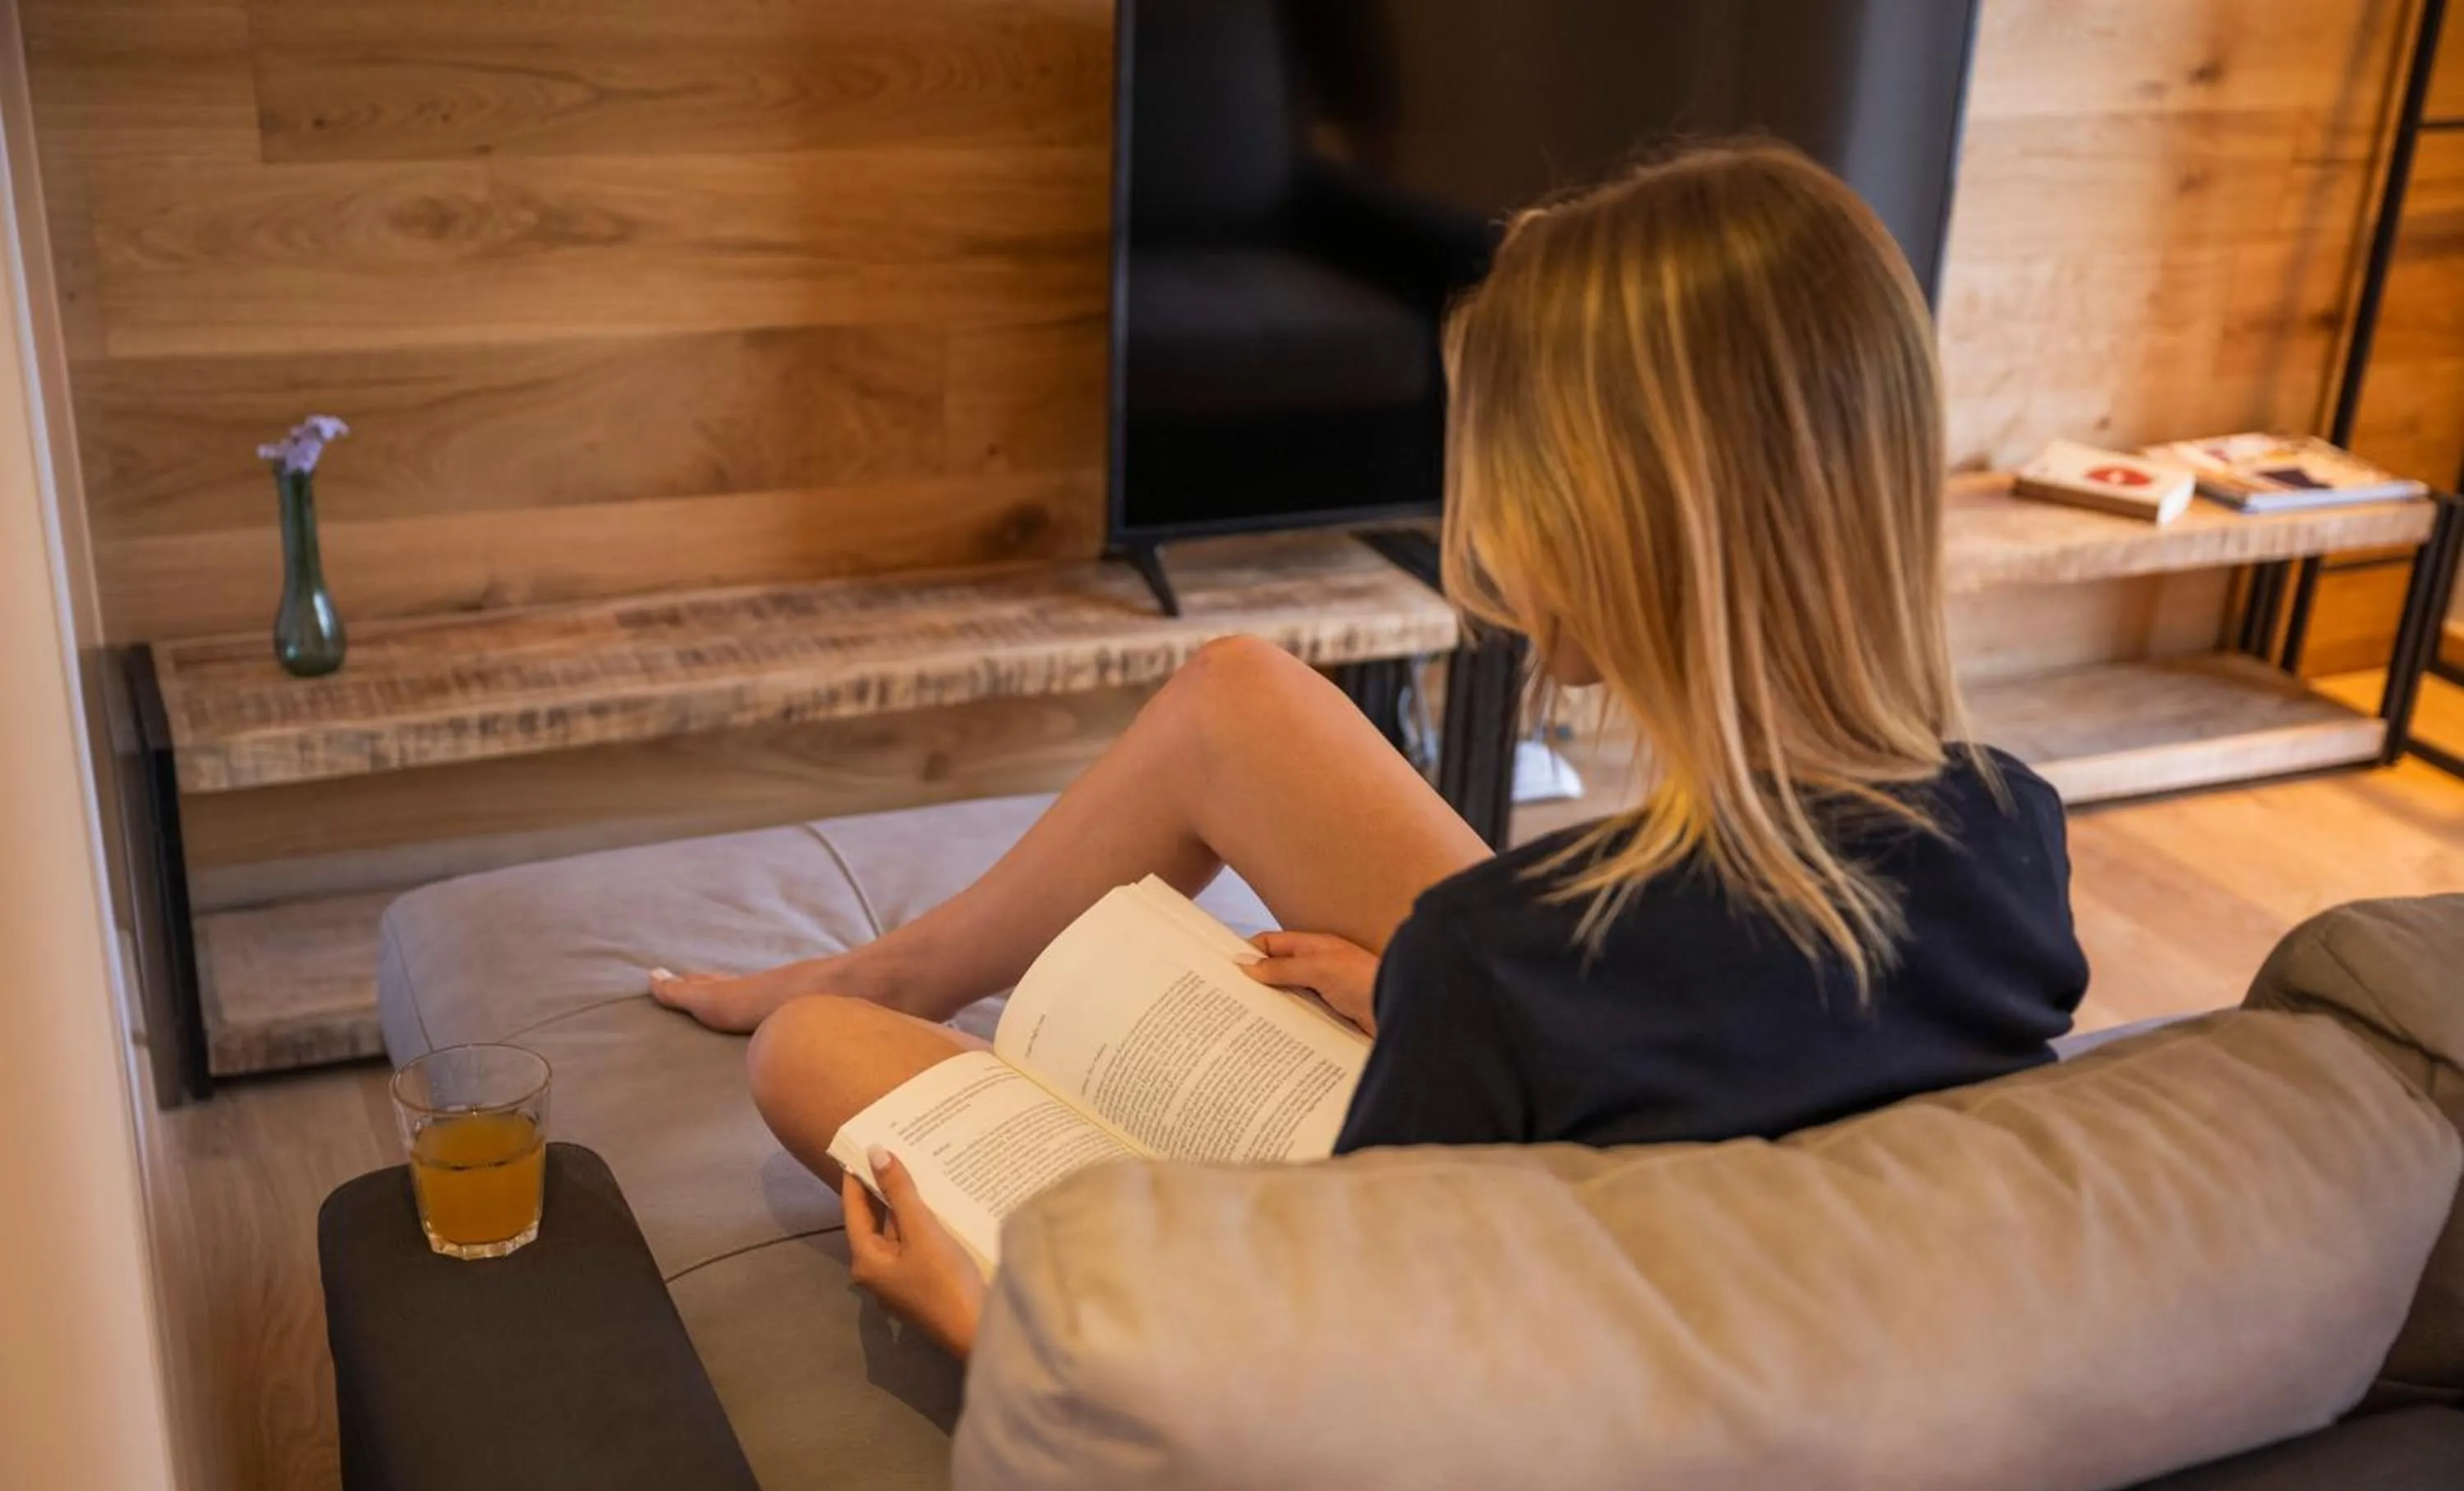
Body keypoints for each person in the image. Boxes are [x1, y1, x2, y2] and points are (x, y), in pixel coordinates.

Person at [649, 141, 2089, 1360]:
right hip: (1584, 1129)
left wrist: (984, 1324)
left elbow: (1341, 1406)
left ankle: (861, 1000)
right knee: (1240, 699)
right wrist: (1419, 1000)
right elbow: (1733, 1038)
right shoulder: (2013, 832)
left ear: (1611, 526)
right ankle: (896, 967)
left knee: (806, 1057)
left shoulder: (1499, 963)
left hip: (1417, 1299)